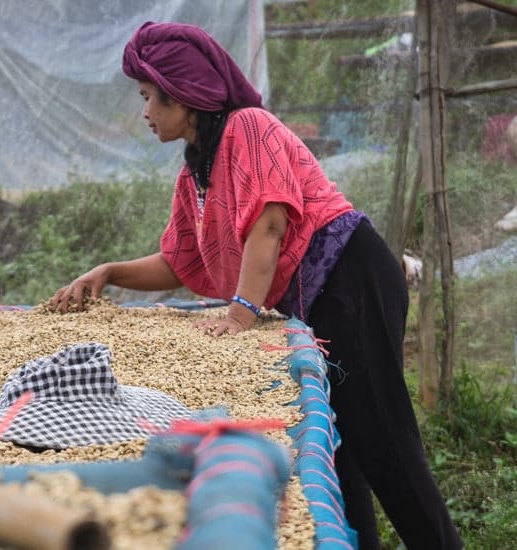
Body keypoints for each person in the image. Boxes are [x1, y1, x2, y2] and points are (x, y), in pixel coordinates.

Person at [49, 22, 461, 550]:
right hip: (313, 298)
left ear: (185, 97)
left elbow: (270, 225)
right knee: (337, 450)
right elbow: (180, 262)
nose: (145, 112)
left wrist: (240, 314)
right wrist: (109, 273)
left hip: (347, 278)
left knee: (384, 442)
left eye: (150, 98)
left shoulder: (249, 129)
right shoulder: (195, 173)